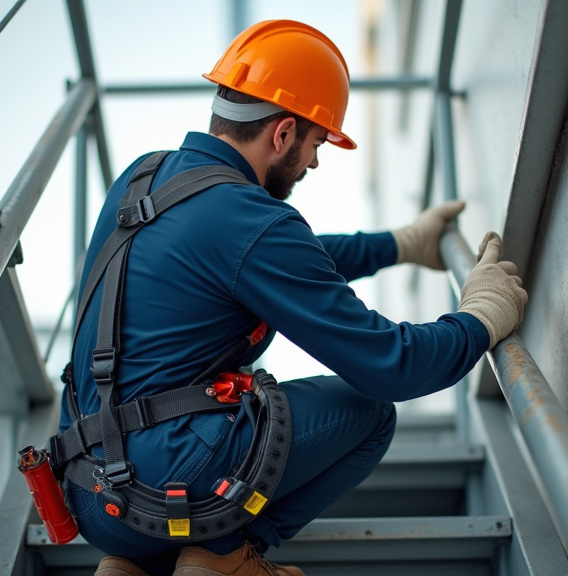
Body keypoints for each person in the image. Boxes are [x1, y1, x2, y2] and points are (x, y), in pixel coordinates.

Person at [56, 19, 527, 576]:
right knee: (370, 414)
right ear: (282, 133)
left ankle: (128, 567)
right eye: (316, 142)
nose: (314, 162)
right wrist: (478, 318)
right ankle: (224, 557)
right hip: (167, 484)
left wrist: (397, 245)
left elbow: (267, 260)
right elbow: (394, 367)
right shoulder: (251, 222)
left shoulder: (143, 179)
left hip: (87, 493)